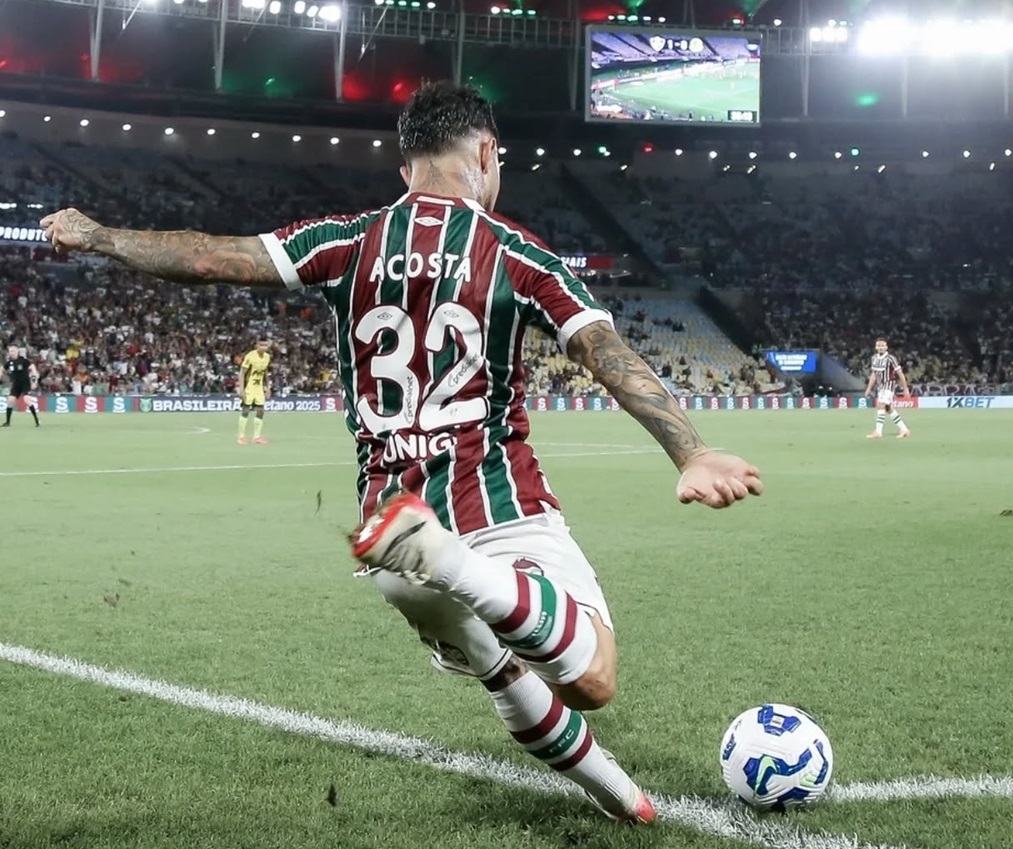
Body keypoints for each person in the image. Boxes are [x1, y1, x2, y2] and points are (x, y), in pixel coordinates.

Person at [40, 81, 763, 824]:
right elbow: (601, 348)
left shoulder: (346, 239)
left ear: (405, 166)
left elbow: (207, 256)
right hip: (497, 511)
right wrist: (691, 450)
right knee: (593, 677)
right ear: (486, 154)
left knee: (498, 662)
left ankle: (621, 796)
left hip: (388, 531)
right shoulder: (513, 251)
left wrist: (100, 236)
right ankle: (452, 559)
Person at [864, 336, 911, 439]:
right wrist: (869, 388)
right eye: (878, 345)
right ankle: (904, 430)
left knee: (880, 406)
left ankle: (878, 432)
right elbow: (874, 374)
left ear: (886, 347)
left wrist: (905, 388)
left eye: (882, 345)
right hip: (881, 387)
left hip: (889, 386)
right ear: (876, 347)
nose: (880, 347)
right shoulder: (874, 358)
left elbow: (900, 373)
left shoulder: (891, 359)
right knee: (889, 408)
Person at [237, 339, 272, 444]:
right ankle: (241, 437)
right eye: (261, 345)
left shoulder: (267, 357)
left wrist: (268, 387)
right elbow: (242, 373)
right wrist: (241, 389)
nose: (264, 347)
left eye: (265, 345)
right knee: (246, 410)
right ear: (257, 345)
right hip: (249, 387)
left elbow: (265, 372)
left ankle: (257, 437)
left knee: (261, 411)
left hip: (259, 388)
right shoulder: (250, 356)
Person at [3, 345, 40, 428]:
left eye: (13, 351)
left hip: (25, 384)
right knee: (10, 401)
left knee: (27, 400)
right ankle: (7, 422)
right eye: (10, 351)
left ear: (17, 352)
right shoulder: (9, 363)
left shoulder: (23, 361)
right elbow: (2, 369)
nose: (11, 352)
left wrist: (34, 381)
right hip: (16, 385)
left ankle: (37, 420)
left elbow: (33, 368)